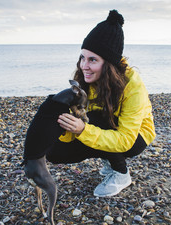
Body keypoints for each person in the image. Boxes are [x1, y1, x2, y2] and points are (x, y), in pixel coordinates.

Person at [44, 9, 156, 197]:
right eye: (82, 57)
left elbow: (126, 139)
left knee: (99, 119)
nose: (83, 65)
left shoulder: (133, 85)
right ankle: (108, 157)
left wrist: (82, 130)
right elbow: (83, 116)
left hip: (135, 136)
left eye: (92, 60)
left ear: (109, 64)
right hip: (99, 125)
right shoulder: (85, 78)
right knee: (55, 152)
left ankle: (121, 174)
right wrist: (64, 128)